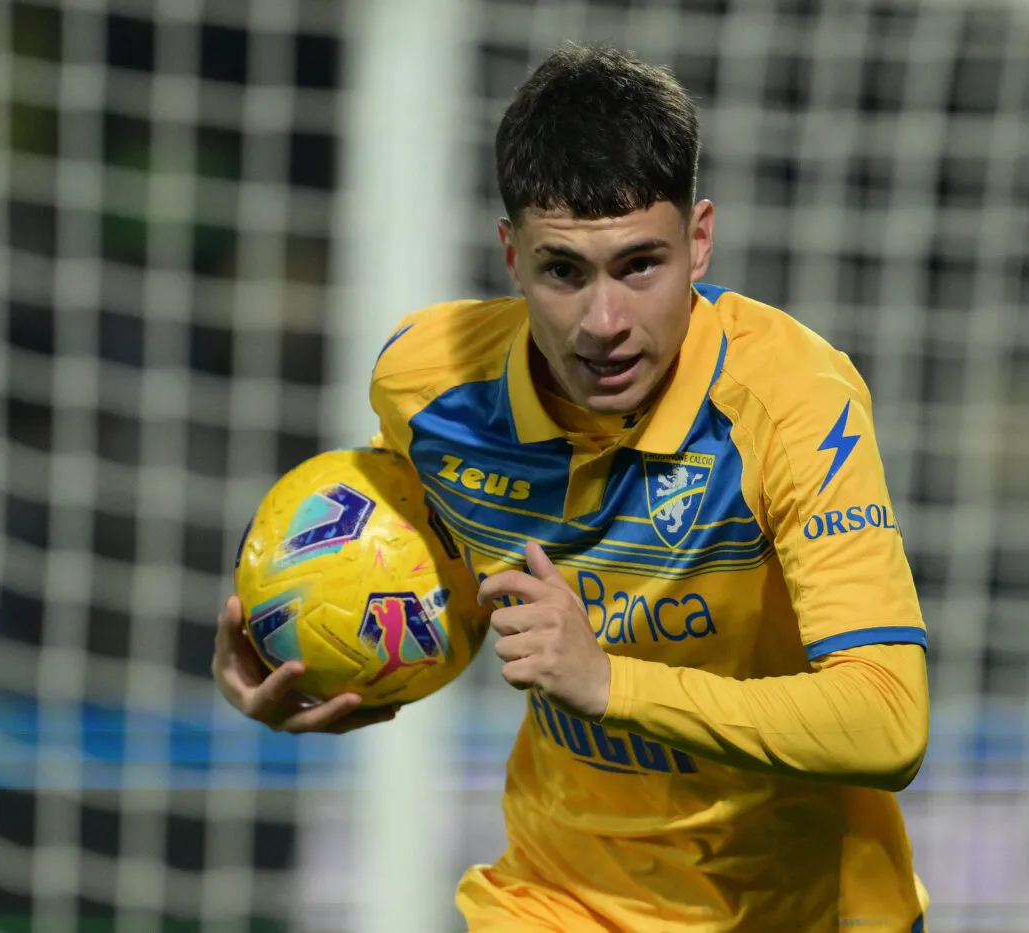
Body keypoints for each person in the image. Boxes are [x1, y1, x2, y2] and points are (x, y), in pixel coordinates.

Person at [212, 43, 930, 933]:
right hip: (557, 899)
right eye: (564, 271)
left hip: (804, 911)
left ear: (700, 240)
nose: (604, 324)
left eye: (640, 265)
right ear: (512, 256)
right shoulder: (426, 385)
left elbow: (889, 722)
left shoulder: (790, 402)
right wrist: (328, 661)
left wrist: (609, 681)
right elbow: (445, 575)